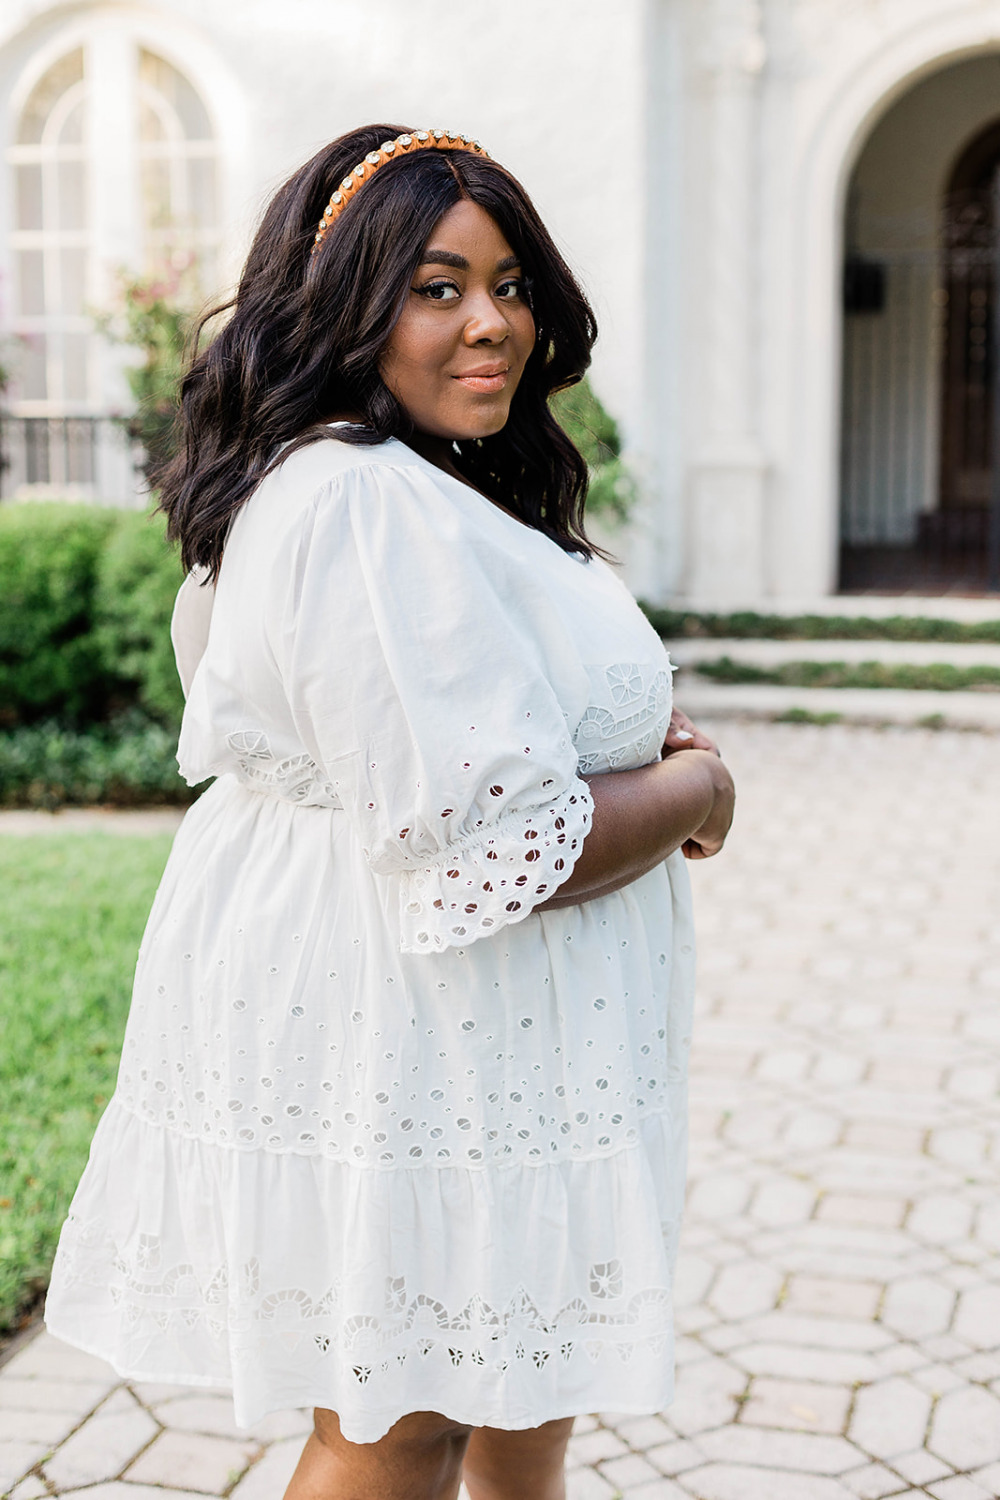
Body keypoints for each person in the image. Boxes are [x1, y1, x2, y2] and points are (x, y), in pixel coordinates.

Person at [44, 125, 734, 1500]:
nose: (493, 323)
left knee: (522, 1367)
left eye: (511, 282)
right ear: (347, 307)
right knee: (402, 1413)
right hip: (411, 1014)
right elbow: (504, 847)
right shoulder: (356, 500)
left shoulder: (430, 483)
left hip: (495, 1032)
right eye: (436, 287)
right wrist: (697, 791)